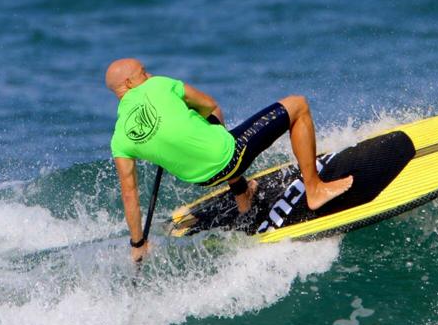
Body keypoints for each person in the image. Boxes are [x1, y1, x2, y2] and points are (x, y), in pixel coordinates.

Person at [106, 58, 354, 262]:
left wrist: (138, 243)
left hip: (203, 179)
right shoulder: (158, 84)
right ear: (129, 83)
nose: (149, 74)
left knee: (202, 143)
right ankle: (314, 189)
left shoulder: (119, 139)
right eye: (144, 72)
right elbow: (210, 105)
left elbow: (130, 194)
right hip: (231, 156)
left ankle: (242, 194)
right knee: (298, 105)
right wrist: (191, 118)